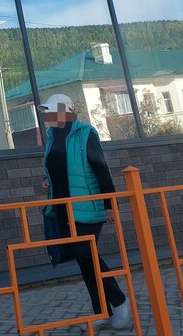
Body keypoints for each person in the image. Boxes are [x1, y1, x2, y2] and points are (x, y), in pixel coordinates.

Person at [40, 93, 132, 330]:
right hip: (62, 208)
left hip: (87, 205)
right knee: (84, 260)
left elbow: (101, 168)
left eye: (51, 111)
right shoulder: (52, 137)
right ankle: (101, 311)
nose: (48, 116)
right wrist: (47, 180)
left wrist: (109, 204)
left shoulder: (85, 134)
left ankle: (119, 301)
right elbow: (55, 167)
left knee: (85, 254)